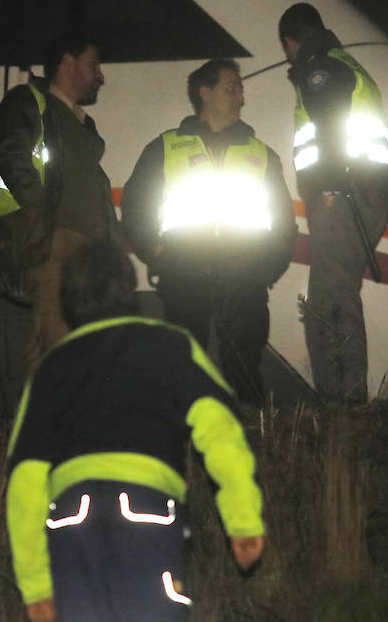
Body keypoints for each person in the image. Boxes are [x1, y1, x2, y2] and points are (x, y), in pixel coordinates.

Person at [5, 238, 266, 622]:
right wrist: (243, 522)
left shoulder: (51, 367)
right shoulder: (171, 344)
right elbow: (221, 432)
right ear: (128, 288)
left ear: (68, 300)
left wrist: (37, 586)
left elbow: (24, 478)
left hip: (71, 520)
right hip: (146, 510)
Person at [120, 59, 298, 406]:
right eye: (231, 88)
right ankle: (186, 448)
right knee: (185, 368)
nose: (241, 98)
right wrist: (156, 252)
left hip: (246, 275)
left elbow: (284, 223)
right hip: (184, 273)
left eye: (241, 89)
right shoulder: (166, 147)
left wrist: (267, 267)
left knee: (244, 369)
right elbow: (135, 205)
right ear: (205, 93)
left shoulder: (262, 154)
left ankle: (250, 444)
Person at [0, 31, 120, 361]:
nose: (101, 76)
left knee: (61, 343)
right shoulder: (29, 102)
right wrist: (43, 227)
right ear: (67, 63)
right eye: (93, 65)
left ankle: (48, 410)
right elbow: (12, 158)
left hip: (83, 251)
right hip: (53, 244)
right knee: (57, 342)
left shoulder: (82, 127)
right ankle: (54, 411)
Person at [277, 3, 388, 402]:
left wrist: (325, 189)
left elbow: (328, 128)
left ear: (291, 42)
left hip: (342, 195)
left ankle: (343, 401)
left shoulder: (320, 69)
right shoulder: (348, 64)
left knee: (331, 300)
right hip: (362, 193)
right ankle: (343, 397)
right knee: (335, 294)